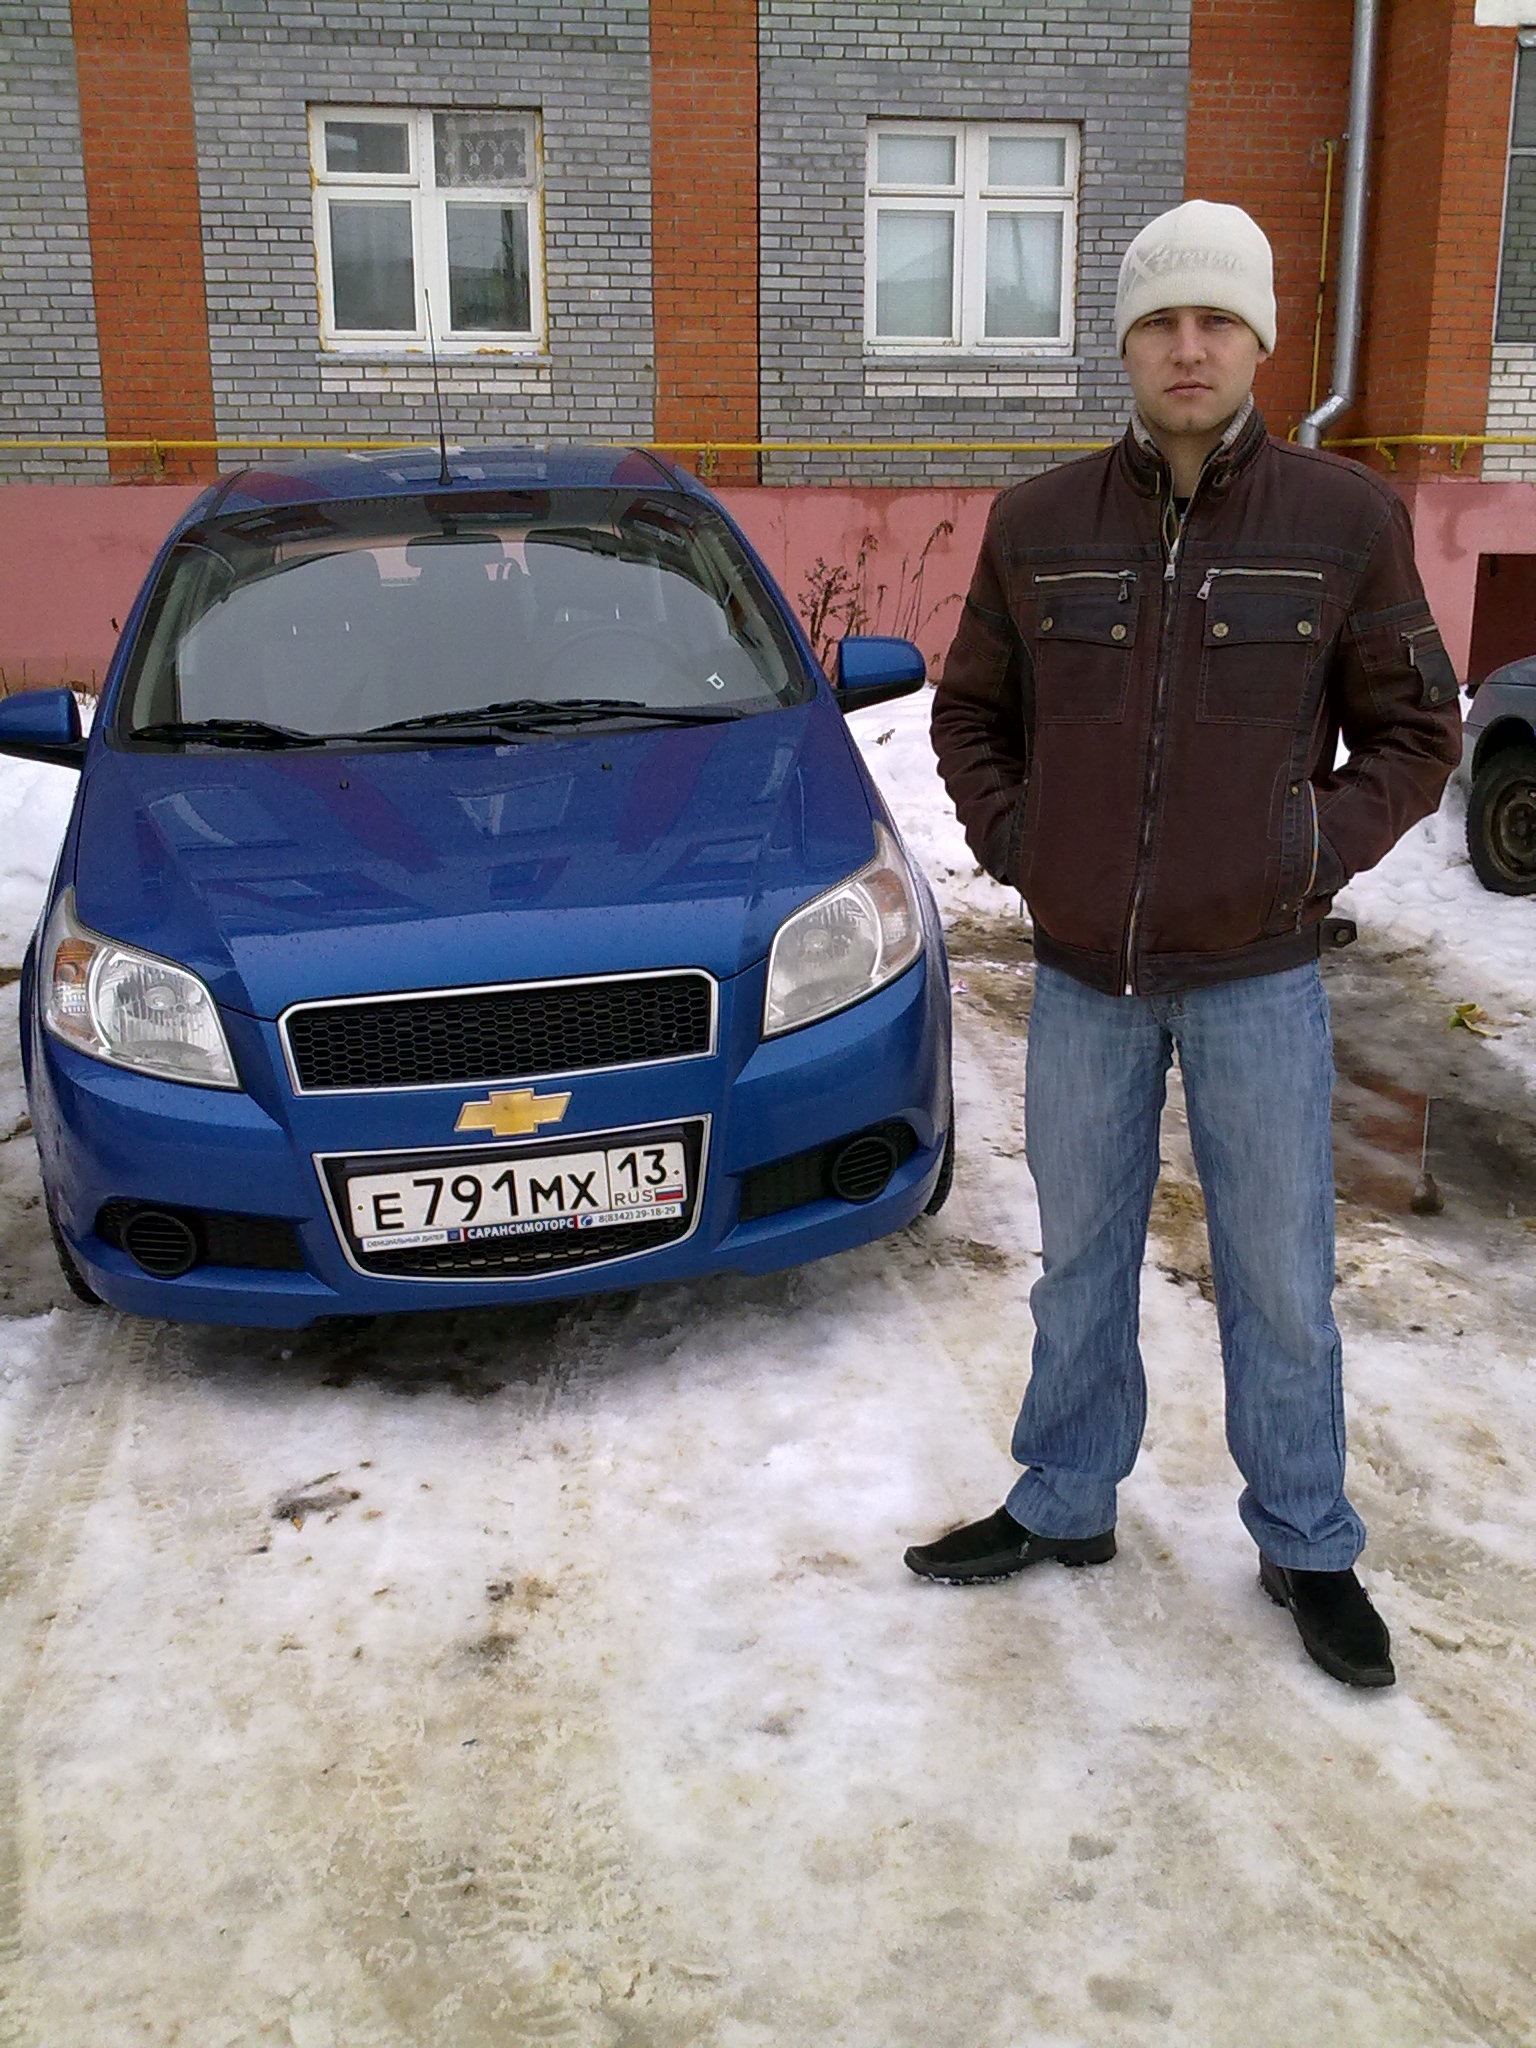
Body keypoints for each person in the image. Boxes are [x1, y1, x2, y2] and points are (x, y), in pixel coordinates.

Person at [911, 200, 1462, 1689]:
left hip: (1257, 980)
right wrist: (1025, 847)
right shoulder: (1041, 525)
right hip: (1086, 981)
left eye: (1217, 319)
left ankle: (1306, 1540)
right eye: (1161, 320)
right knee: (1078, 1262)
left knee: (1279, 1275)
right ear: (1128, 344)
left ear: (1259, 340)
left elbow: (1419, 726)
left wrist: (1309, 852)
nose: (1189, 346)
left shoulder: (1343, 521)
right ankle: (1064, 1497)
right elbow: (972, 713)